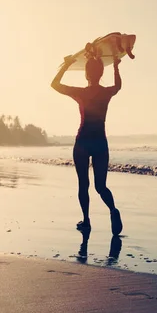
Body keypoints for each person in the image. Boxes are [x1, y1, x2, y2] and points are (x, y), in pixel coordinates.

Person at [51, 51, 123, 236]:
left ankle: (86, 221)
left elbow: (55, 84)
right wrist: (115, 65)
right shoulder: (107, 92)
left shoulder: (80, 93)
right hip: (100, 142)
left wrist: (66, 64)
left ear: (86, 74)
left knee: (83, 184)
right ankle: (113, 210)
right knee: (101, 186)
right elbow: (118, 86)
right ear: (101, 73)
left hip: (83, 142)